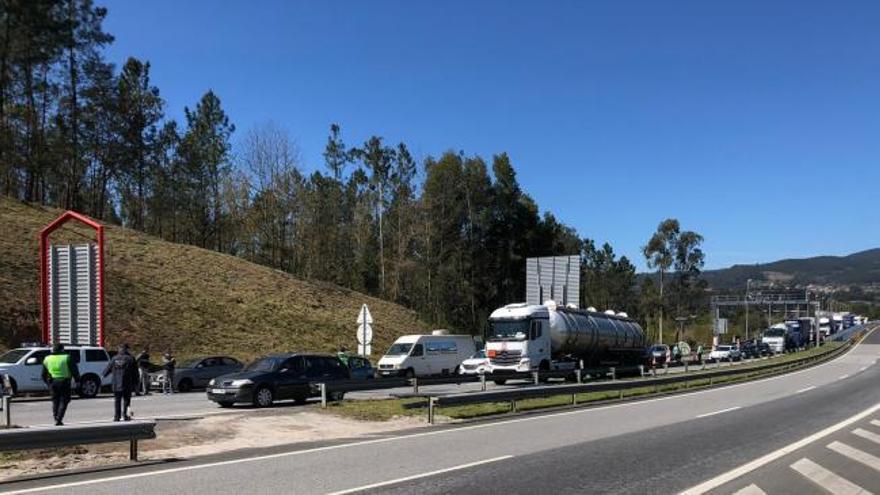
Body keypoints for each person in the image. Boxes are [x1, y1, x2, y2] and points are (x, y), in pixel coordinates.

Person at [41, 343, 80, 426]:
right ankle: (59, 419)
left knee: (55, 401)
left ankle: (55, 417)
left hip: (53, 382)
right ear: (62, 349)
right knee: (64, 400)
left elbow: (43, 374)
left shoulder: (47, 359)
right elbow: (74, 371)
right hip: (64, 381)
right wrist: (77, 381)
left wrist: (48, 384)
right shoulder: (67, 357)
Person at [103, 344, 138, 421]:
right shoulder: (131, 359)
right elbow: (135, 372)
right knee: (127, 400)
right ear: (126, 350)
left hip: (116, 383)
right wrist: (136, 383)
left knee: (117, 400)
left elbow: (107, 370)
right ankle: (126, 415)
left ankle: (117, 416)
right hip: (127, 383)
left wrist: (104, 375)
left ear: (119, 350)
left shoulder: (114, 358)